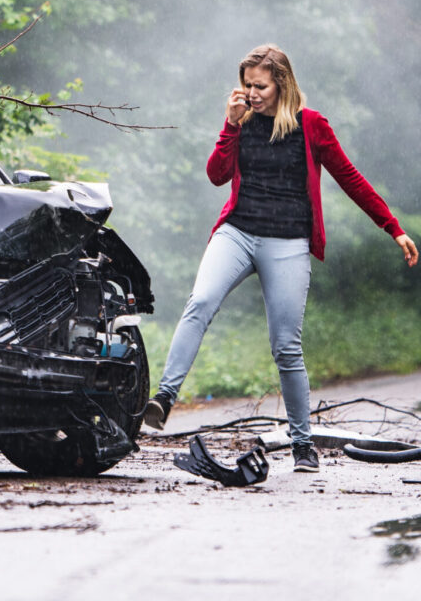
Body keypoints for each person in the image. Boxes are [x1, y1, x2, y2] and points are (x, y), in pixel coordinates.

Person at [143, 44, 418, 472]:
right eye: (246, 85)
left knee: (286, 346)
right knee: (199, 302)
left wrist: (393, 226)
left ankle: (302, 444)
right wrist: (230, 126)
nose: (251, 93)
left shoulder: (311, 126)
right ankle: (163, 397)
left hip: (288, 242)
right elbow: (217, 175)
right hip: (238, 232)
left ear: (282, 84)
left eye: (260, 86)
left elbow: (349, 177)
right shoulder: (241, 121)